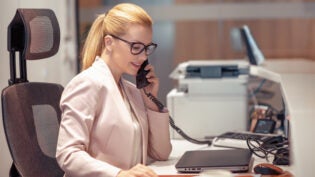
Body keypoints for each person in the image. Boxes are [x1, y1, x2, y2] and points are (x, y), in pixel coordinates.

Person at [56, 3, 172, 177]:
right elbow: (68, 154)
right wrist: (118, 174)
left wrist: (150, 101)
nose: (143, 57)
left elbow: (161, 153)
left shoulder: (131, 92)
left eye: (147, 48)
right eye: (136, 47)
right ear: (109, 43)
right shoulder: (86, 85)